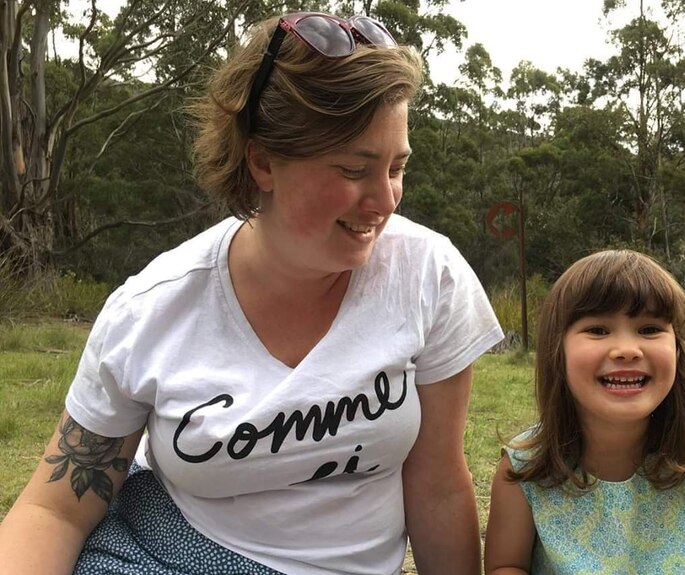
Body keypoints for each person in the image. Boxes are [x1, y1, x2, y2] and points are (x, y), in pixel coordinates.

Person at [0, 11, 503, 575]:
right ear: (262, 161)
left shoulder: (426, 277)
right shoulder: (152, 309)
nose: (385, 201)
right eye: (353, 169)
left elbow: (436, 483)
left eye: (396, 167)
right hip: (156, 555)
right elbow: (56, 509)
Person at [483, 250, 685, 575]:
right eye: (598, 329)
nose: (627, 349)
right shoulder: (525, 469)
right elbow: (506, 565)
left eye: (650, 329)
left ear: (678, 350)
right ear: (557, 351)